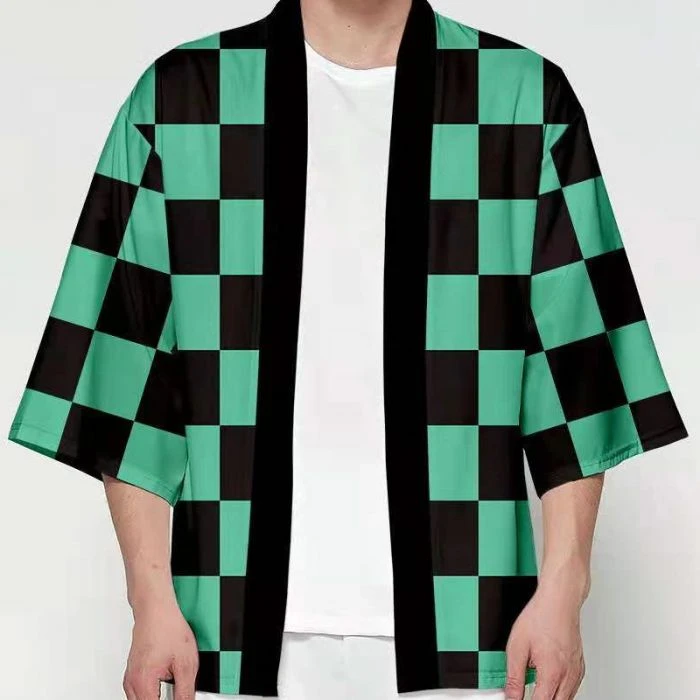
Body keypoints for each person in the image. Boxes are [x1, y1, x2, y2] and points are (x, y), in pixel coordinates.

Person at [7, 0, 688, 699]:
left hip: (468, 639)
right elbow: (126, 380)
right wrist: (150, 602)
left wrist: (565, 590)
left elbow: (578, 378)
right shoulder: (181, 100)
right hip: (228, 640)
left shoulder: (523, 100)